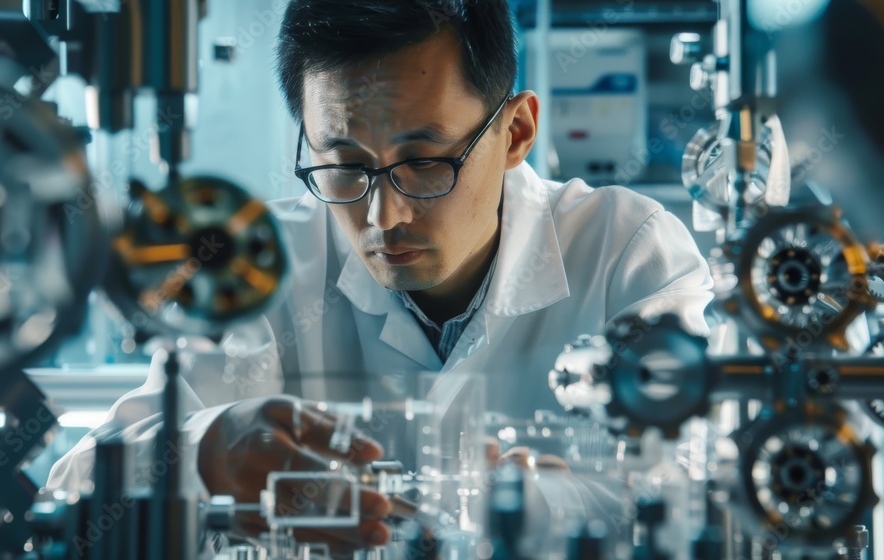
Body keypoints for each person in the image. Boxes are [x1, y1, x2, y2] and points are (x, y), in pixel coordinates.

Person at [48, 0, 713, 553]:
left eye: (423, 162)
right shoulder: (267, 262)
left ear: (515, 132)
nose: (382, 216)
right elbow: (73, 486)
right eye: (343, 165)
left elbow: (702, 496)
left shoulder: (623, 250)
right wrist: (201, 458)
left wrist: (534, 505)